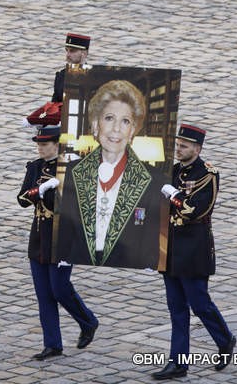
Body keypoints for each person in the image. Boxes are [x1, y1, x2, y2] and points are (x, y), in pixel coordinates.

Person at [153, 124, 235, 380]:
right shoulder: (173, 171)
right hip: (171, 247)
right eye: (177, 145)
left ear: (197, 148)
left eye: (184, 146)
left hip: (193, 248)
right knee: (176, 307)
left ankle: (225, 339)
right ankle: (178, 363)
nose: (179, 150)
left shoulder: (207, 175)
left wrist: (174, 195)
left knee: (199, 304)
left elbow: (193, 211)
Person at [56, 79, 165, 268]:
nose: (116, 129)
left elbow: (150, 244)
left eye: (125, 121)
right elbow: (66, 233)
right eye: (109, 118)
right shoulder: (74, 171)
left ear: (132, 131)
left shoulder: (154, 180)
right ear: (96, 125)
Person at [17, 125, 99, 360]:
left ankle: (88, 321)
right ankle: (52, 344)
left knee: (60, 288)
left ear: (57, 145)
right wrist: (39, 190)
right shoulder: (35, 167)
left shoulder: (72, 169)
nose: (40, 148)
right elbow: (22, 199)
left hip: (63, 236)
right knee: (44, 294)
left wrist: (51, 191)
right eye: (39, 145)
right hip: (39, 235)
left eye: (45, 144)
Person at [51, 32, 90, 104]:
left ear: (84, 53)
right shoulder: (61, 76)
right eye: (67, 50)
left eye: (72, 51)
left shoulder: (93, 76)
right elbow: (54, 104)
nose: (68, 55)